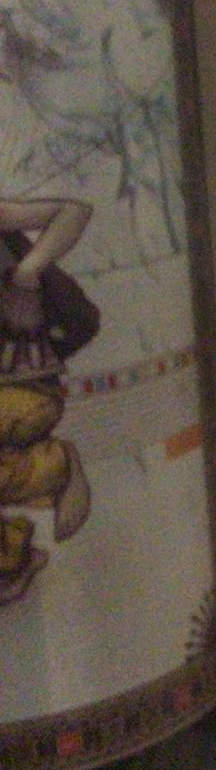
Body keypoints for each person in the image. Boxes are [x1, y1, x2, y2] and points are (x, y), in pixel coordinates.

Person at [0, 195, 95, 605]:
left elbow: (75, 211)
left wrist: (28, 271)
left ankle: (61, 464)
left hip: (27, 387)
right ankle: (59, 464)